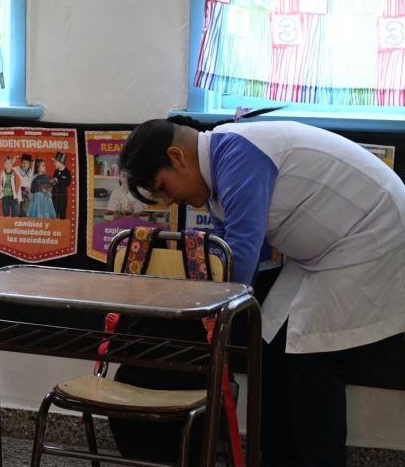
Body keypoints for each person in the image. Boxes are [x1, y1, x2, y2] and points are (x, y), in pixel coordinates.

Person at [119, 115, 405, 467]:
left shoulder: (239, 154)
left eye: (163, 187)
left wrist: (199, 316)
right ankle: (278, 458)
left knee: (312, 363)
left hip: (370, 237)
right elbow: (228, 260)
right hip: (321, 254)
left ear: (177, 157)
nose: (170, 201)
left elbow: (239, 258)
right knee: (270, 348)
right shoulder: (219, 167)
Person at [51, 152, 71, 219]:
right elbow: (53, 183)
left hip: (62, 196)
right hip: (54, 196)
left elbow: (68, 183)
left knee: (62, 213)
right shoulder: (56, 171)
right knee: (54, 213)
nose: (54, 163)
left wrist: (58, 179)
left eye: (55, 162)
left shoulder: (67, 172)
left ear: (60, 162)